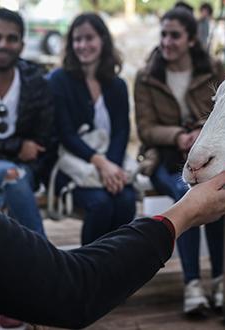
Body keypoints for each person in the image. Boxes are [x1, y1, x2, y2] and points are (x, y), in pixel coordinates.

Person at [0, 2, 225, 330]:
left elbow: (120, 130)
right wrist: (184, 213)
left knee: (121, 199)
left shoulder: (113, 84)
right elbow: (72, 288)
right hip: (76, 171)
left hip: (102, 168)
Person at [134, 7, 225, 314]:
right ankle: (192, 285)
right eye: (163, 34)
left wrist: (203, 132)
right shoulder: (147, 77)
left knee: (217, 195)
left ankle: (218, 279)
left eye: (175, 35)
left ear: (190, 39)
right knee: (187, 193)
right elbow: (145, 128)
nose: (167, 41)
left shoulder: (212, 71)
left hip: (207, 155)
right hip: (166, 157)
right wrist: (178, 136)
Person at [48, 13, 137, 245]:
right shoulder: (59, 80)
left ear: (103, 41)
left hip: (109, 163)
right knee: (101, 204)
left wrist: (113, 169)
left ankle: (118, 266)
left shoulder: (116, 85)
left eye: (89, 38)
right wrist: (102, 165)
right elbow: (66, 134)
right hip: (69, 165)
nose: (83, 45)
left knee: (126, 200)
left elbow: (121, 131)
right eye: (77, 40)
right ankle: (89, 271)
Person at [0, 8, 53, 239]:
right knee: (13, 174)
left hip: (23, 171)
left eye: (11, 38)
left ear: (22, 45)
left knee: (12, 182)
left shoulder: (36, 81)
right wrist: (16, 147)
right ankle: (45, 263)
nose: (3, 44)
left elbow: (42, 143)